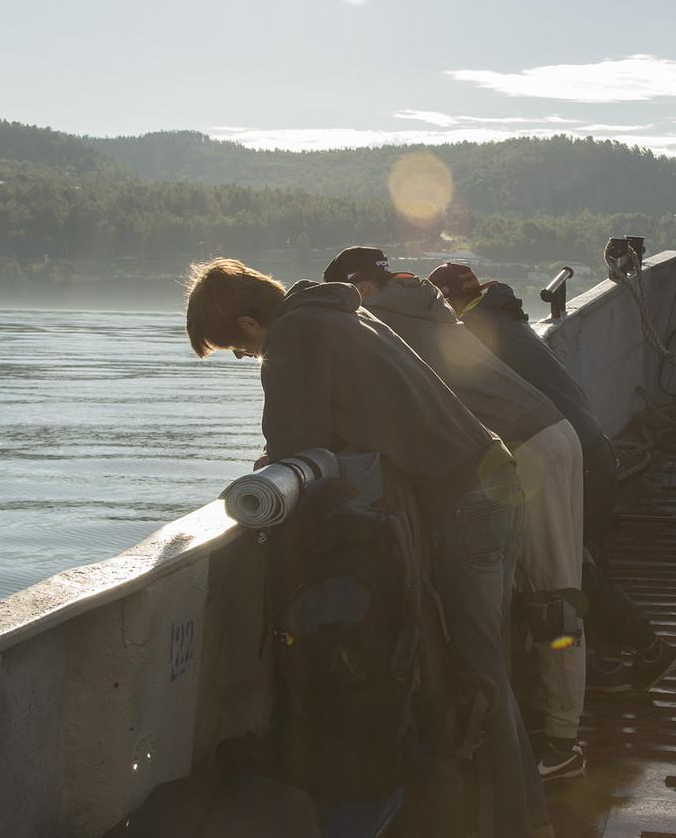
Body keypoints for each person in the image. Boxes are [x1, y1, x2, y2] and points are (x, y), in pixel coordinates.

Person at [183, 257, 551, 837]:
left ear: (252, 325)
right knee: (480, 666)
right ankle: (494, 814)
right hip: (488, 482)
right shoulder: (336, 314)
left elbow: (291, 445)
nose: (244, 356)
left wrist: (268, 470)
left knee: (481, 672)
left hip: (467, 502)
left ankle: (520, 824)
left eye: (237, 346)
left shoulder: (293, 335)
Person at [324, 247, 587, 782]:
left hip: (529, 445)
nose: (349, 309)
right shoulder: (419, 301)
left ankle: (563, 743)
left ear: (363, 288)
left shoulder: (384, 318)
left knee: (553, 599)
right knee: (531, 595)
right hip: (538, 438)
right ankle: (537, 723)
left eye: (350, 297)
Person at [427, 262, 676, 692]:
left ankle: (652, 649)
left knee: (578, 566)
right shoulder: (504, 318)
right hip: (589, 444)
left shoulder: (470, 333)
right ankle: (604, 662)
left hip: (571, 454)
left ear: (448, 301)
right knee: (588, 559)